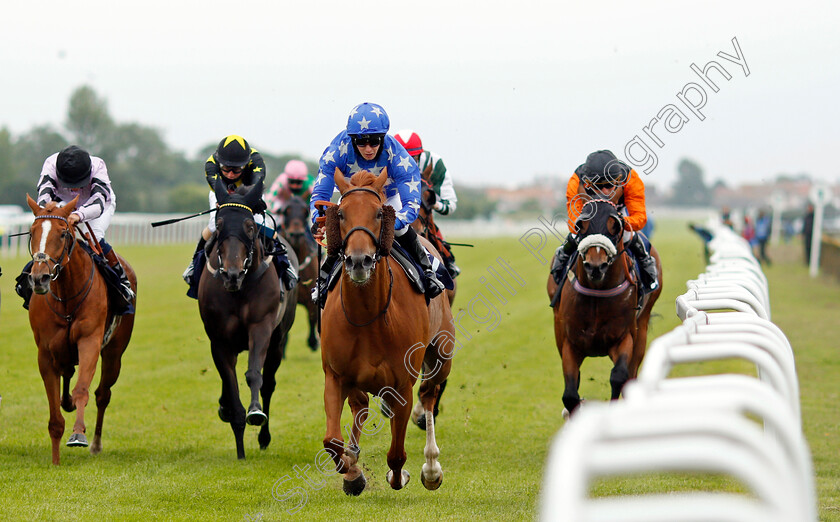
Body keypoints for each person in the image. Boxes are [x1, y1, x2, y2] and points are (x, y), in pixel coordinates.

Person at [309, 102, 445, 307]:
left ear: (384, 137)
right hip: (352, 198)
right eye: (361, 143)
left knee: (402, 231)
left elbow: (411, 206)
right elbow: (320, 194)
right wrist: (319, 219)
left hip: (387, 198)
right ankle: (323, 280)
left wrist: (392, 221)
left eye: (375, 141)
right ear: (351, 139)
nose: (369, 148)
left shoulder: (398, 155)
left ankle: (427, 271)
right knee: (338, 230)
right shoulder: (336, 151)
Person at [14, 145, 135, 311]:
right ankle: (30, 277)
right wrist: (51, 214)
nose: (75, 188)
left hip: (97, 204)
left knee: (94, 237)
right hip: (61, 204)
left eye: (79, 183)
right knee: (50, 235)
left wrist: (79, 215)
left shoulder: (98, 166)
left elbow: (99, 201)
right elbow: (44, 196)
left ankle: (121, 280)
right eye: (70, 183)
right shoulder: (50, 163)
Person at [182, 135, 296, 294]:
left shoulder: (256, 160)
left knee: (260, 223)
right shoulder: (211, 163)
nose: (230, 174)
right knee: (214, 225)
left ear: (245, 164)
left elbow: (256, 184)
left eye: (236, 169)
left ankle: (285, 263)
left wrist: (254, 201)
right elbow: (218, 188)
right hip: (222, 193)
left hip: (248, 191)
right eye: (226, 169)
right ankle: (194, 264)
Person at [550, 149, 659, 293]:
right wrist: (585, 226)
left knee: (628, 236)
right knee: (576, 236)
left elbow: (639, 218)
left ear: (618, 180)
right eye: (598, 186)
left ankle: (646, 264)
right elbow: (573, 222)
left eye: (609, 185)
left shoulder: (631, 179)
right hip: (589, 214)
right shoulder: (576, 181)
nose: (605, 191)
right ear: (587, 183)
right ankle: (561, 260)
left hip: (617, 213)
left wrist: (620, 221)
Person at [393, 129, 460, 278]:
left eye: (413, 158)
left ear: (420, 155)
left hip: (424, 215)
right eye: (403, 158)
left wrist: (433, 203)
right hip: (395, 213)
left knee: (440, 245)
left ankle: (448, 263)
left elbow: (450, 204)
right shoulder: (384, 162)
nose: (408, 163)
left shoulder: (435, 163)